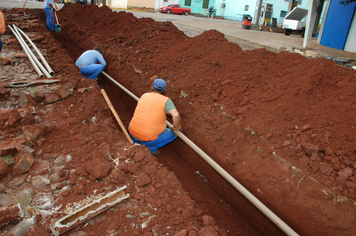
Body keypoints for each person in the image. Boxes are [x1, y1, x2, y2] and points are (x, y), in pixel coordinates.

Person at [128, 78, 181, 156]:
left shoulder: (144, 95)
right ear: (164, 90)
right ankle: (152, 148)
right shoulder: (165, 101)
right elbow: (176, 115)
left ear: (151, 87)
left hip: (131, 132)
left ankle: (135, 142)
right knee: (175, 133)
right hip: (147, 139)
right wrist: (176, 128)